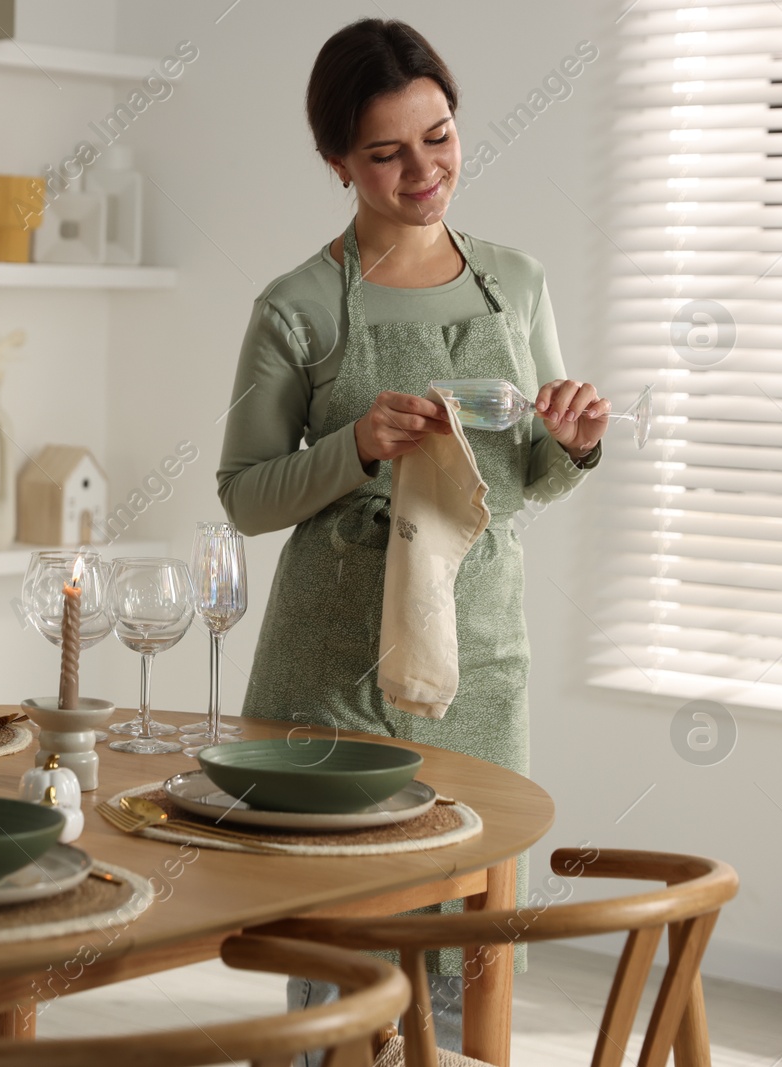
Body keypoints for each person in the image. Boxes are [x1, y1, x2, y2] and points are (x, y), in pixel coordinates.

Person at [215, 18, 608, 1058]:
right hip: (331, 672)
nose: (422, 170)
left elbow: (520, 483)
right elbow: (245, 497)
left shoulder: (514, 283)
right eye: (386, 152)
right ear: (336, 161)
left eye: (437, 136)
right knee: (337, 948)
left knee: (468, 947)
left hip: (479, 662)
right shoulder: (295, 305)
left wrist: (569, 444)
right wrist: (352, 443)